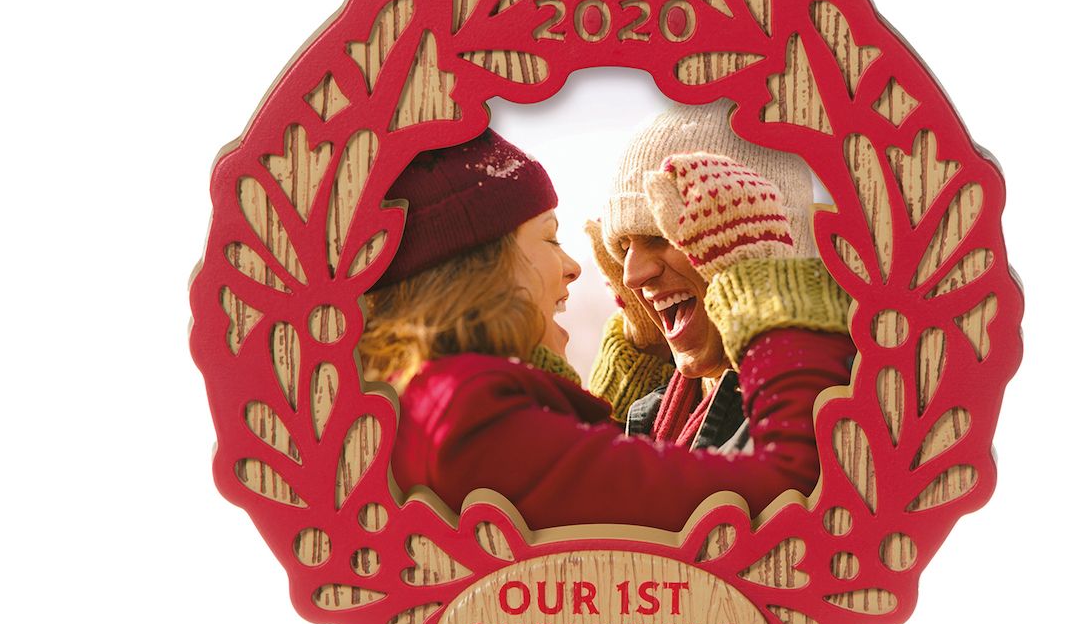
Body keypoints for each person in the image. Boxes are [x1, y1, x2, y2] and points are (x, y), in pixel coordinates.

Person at [358, 126, 853, 535]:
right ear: (485, 271)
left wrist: (637, 367)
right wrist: (771, 295)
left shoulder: (436, 404)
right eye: (550, 240)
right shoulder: (472, 417)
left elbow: (602, 483)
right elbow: (778, 494)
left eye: (660, 236)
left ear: (769, 239)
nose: (627, 275)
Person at [586, 102, 838, 454]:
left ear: (761, 240)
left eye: (660, 236)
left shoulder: (835, 403)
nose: (631, 275)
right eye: (624, 247)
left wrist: (762, 314)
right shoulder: (663, 415)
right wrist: (639, 363)